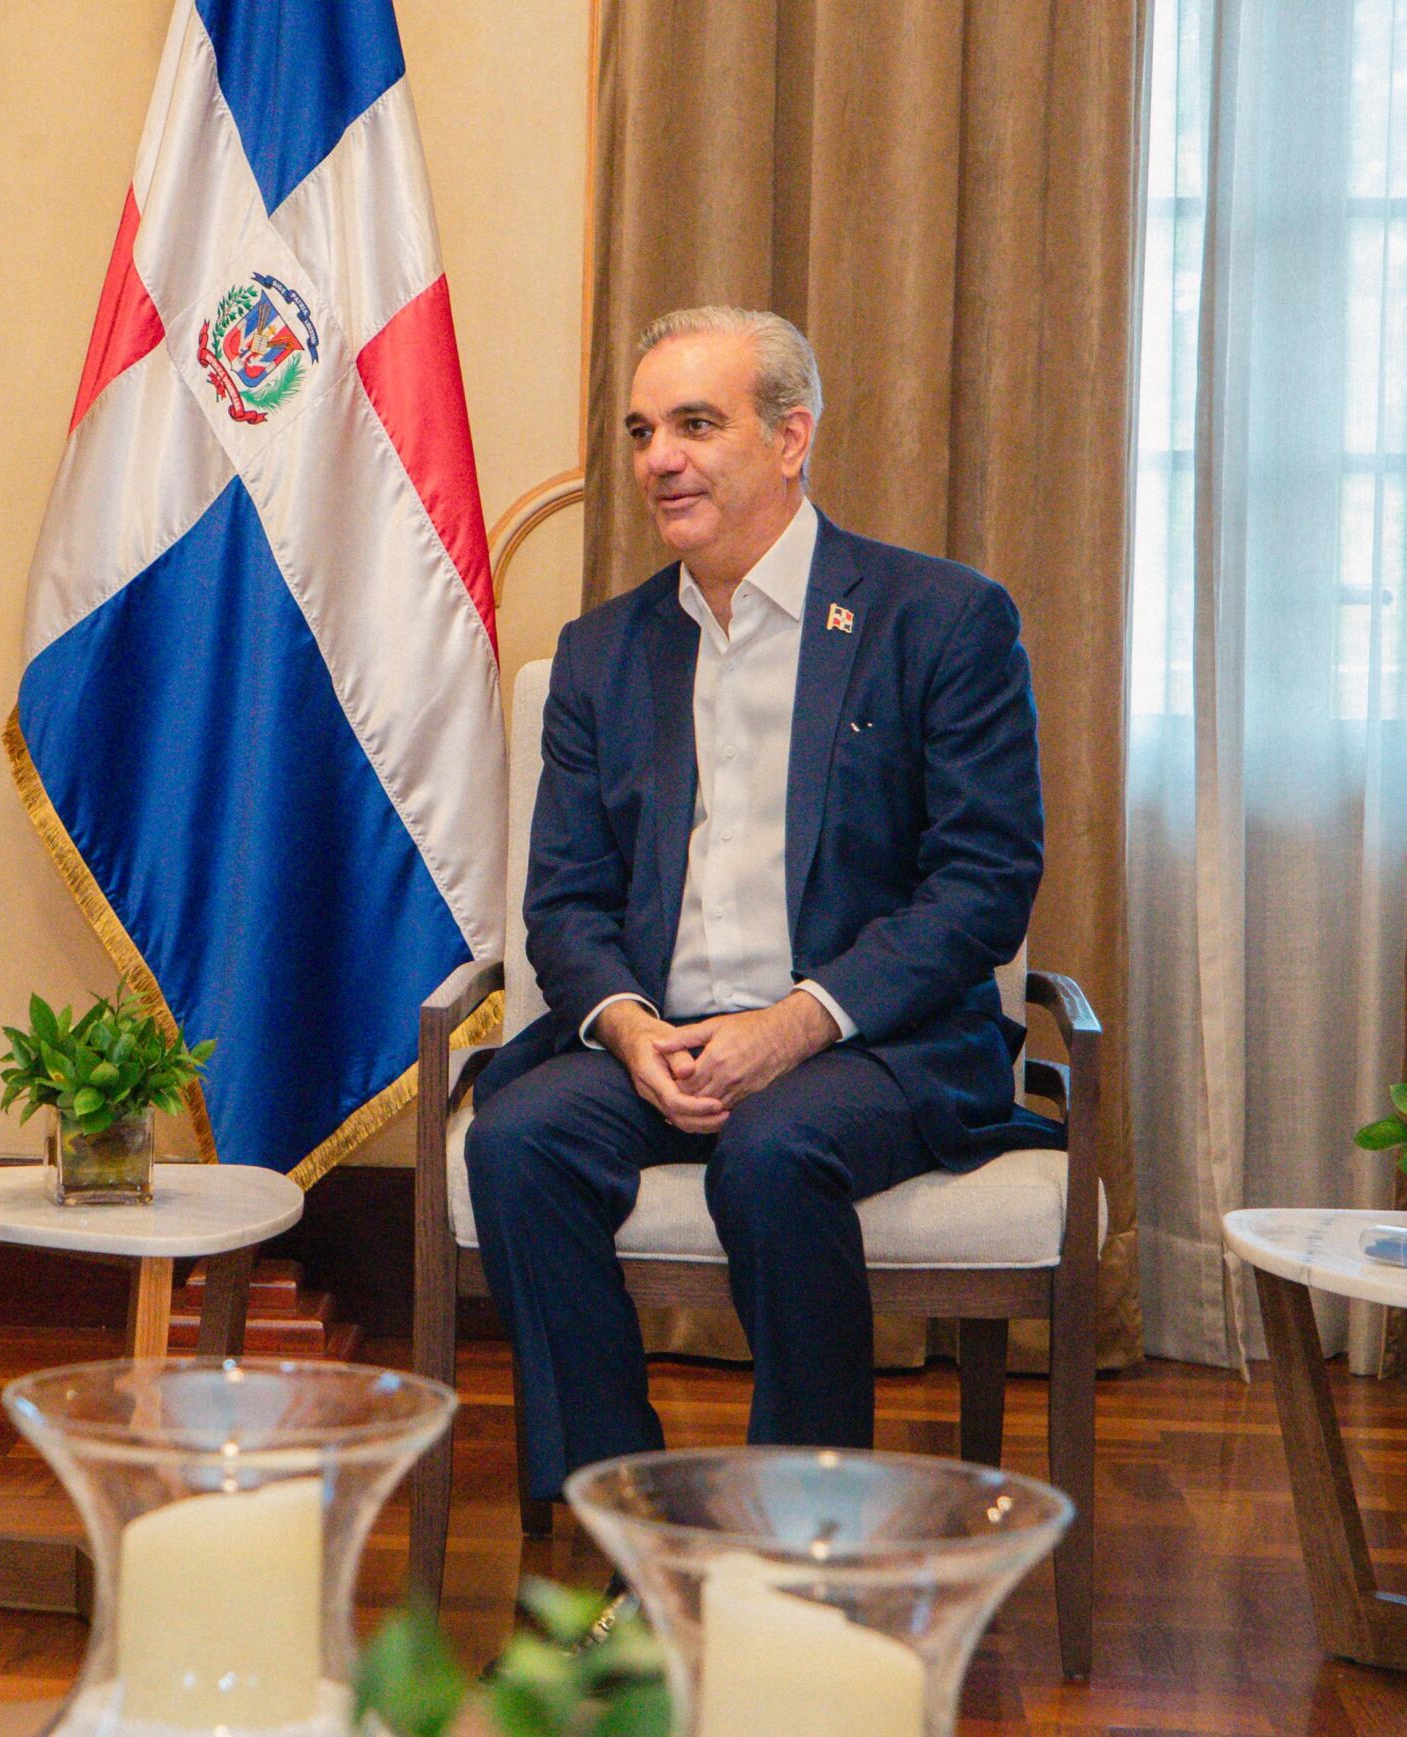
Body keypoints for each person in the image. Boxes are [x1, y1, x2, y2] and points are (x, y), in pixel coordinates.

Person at [466, 306, 1052, 1522]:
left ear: (791, 439)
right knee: (517, 1139)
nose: (659, 459)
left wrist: (793, 1025)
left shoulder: (938, 619)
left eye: (695, 424)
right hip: (661, 1042)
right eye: (642, 432)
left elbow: (982, 882)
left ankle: (801, 1532)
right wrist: (628, 1027)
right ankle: (618, 1517)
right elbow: (563, 901)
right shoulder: (601, 653)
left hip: (867, 1046)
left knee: (773, 1152)